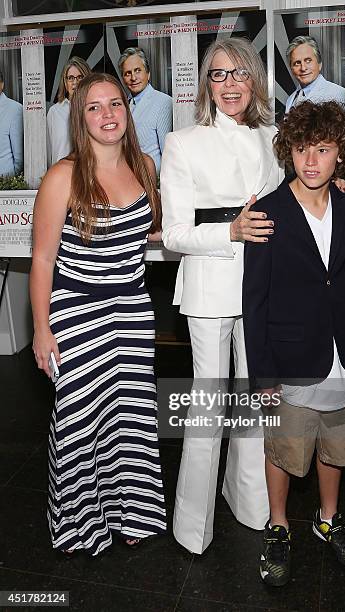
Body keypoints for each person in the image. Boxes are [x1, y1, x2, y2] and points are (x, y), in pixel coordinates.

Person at [30, 72, 166, 556]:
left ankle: (135, 513)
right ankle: (79, 524)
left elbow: (150, 233)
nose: (107, 114)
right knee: (78, 420)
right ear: (79, 116)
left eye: (115, 104)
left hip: (132, 309)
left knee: (132, 416)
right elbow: (43, 258)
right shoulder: (61, 176)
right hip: (76, 312)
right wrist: (41, 328)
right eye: (94, 107)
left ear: (127, 112)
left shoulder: (146, 167)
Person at [243, 101, 345, 587]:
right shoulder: (269, 211)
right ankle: (278, 526)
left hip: (342, 354)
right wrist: (263, 375)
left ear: (340, 153)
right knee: (284, 448)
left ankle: (328, 518)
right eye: (301, 149)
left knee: (336, 443)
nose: (312, 160)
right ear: (288, 151)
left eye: (323, 149)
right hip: (290, 356)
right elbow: (253, 299)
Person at [160, 37, 284, 555]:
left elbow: (299, 192)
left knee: (256, 402)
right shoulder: (182, 142)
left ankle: (249, 501)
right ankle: (193, 525)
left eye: (238, 74)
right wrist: (229, 233)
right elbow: (173, 235)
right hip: (210, 287)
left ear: (253, 78)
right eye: (218, 75)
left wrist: (337, 185)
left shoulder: (273, 136)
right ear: (205, 85)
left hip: (264, 287)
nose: (229, 85)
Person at [118, 47, 173, 174]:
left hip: (152, 181)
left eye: (137, 71)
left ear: (148, 74)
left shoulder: (163, 102)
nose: (133, 77)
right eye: (127, 73)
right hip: (128, 181)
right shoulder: (123, 105)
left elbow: (168, 155)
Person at [46, 56, 91, 166]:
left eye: (80, 77)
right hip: (62, 176)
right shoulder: (54, 112)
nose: (75, 82)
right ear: (65, 82)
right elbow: (48, 151)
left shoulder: (96, 109)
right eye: (70, 78)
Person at [285, 36, 345, 113]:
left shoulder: (339, 95)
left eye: (308, 61)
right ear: (291, 69)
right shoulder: (291, 100)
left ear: (319, 63)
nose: (303, 68)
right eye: (297, 63)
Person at [0, 71, 23, 176]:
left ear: (2, 84)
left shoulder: (14, 109)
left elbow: (19, 157)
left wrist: (12, 182)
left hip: (6, 184)